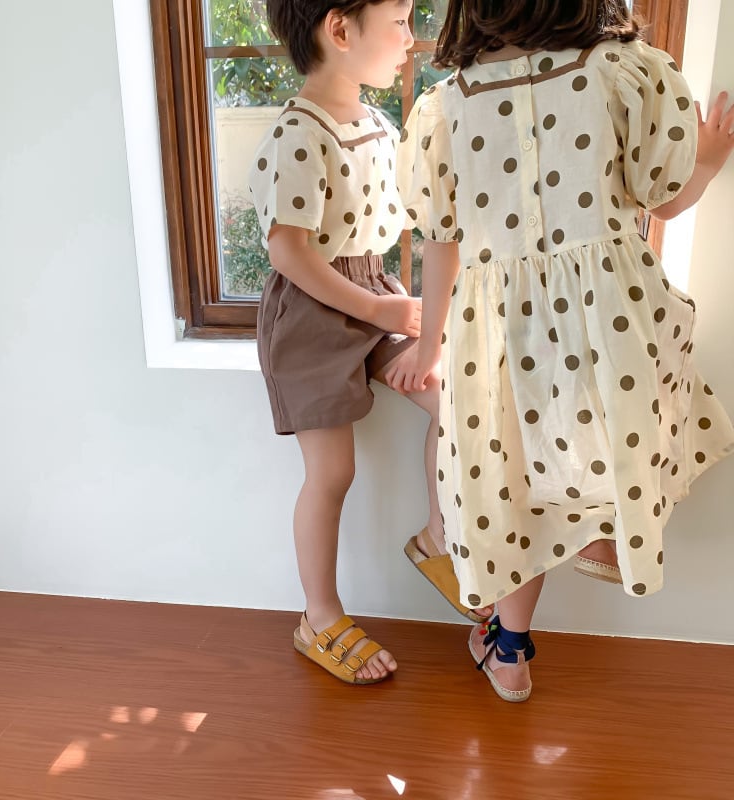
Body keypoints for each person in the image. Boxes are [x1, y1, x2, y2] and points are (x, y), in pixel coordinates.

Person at [389, 0, 734, 701]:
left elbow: (441, 241)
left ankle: (509, 654)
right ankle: (607, 524)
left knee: (513, 494)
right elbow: (661, 200)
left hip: (500, 334)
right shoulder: (618, 71)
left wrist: (431, 347)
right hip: (608, 324)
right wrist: (709, 160)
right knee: (613, 423)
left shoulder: (447, 105)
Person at [248, 0, 493, 686]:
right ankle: (319, 618)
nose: (412, 40)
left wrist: (403, 308)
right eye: (400, 20)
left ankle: (439, 533)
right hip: (313, 313)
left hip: (374, 291)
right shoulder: (299, 132)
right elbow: (291, 255)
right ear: (339, 29)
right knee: (332, 474)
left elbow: (423, 221)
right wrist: (381, 308)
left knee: (453, 403)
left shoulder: (381, 126)